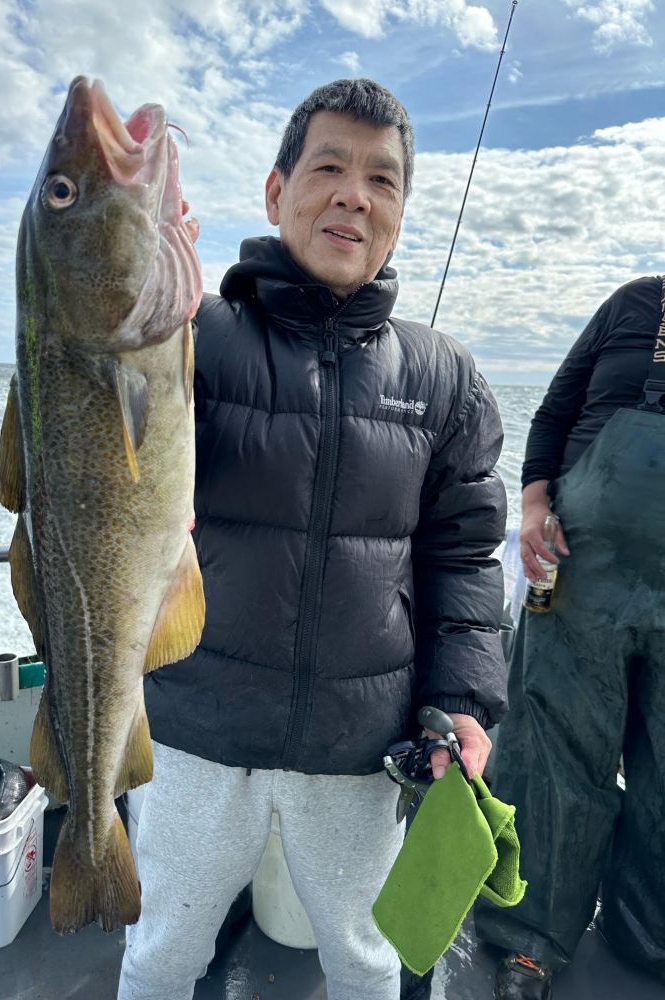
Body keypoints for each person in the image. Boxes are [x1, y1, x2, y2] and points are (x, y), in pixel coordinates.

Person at [117, 78, 508, 1000]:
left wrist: (462, 699)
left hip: (359, 744)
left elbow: (463, 556)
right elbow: (97, 430)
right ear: (274, 192)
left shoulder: (446, 377)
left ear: (401, 213)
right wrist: (132, 266)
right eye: (328, 167)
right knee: (164, 954)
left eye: (382, 180)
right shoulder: (191, 339)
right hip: (194, 728)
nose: (353, 195)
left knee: (367, 963)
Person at [474, 275, 665, 1000]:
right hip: (580, 575)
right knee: (554, 752)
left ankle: (649, 937)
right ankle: (529, 938)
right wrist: (531, 506)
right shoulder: (632, 303)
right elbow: (553, 413)